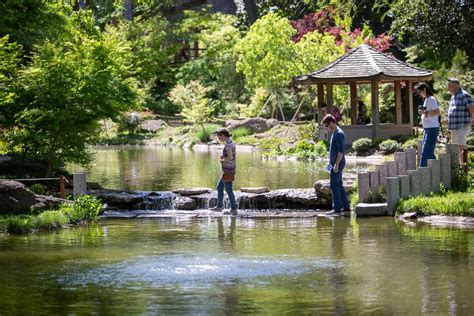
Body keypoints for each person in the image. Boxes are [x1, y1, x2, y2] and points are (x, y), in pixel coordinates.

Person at [319, 114, 350, 216]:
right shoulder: (334, 132)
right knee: (339, 185)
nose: (326, 128)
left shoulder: (338, 134)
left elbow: (341, 151)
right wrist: (330, 162)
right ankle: (346, 207)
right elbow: (334, 150)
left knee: (333, 185)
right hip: (335, 163)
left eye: (326, 125)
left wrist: (336, 164)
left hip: (338, 163)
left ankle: (336, 208)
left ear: (332, 122)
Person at [210, 128, 238, 215]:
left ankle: (233, 208)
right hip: (228, 169)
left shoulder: (229, 145)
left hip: (228, 170)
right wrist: (224, 157)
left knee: (228, 189)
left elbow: (230, 158)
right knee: (219, 187)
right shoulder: (230, 143)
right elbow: (229, 156)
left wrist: (223, 160)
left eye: (219, 136)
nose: (218, 138)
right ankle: (219, 207)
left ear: (223, 135)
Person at [447, 78, 474, 164]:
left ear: (456, 85)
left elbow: (471, 108)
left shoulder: (464, 94)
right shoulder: (453, 96)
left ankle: (463, 167)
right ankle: (457, 166)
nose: (448, 88)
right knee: (454, 147)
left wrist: (473, 118)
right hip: (454, 127)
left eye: (450, 86)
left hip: (463, 125)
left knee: (461, 146)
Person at [414, 82, 440, 167]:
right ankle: (437, 170)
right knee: (429, 152)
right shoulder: (426, 99)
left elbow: (437, 112)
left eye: (420, 92)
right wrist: (423, 112)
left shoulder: (431, 99)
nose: (419, 94)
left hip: (432, 128)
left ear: (424, 90)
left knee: (425, 152)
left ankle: (421, 173)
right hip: (428, 128)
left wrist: (426, 113)